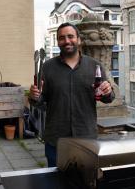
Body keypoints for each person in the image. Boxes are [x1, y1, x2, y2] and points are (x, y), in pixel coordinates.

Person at [29, 22, 115, 167]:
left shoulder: (95, 66)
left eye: (70, 36)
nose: (67, 41)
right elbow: (40, 101)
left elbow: (107, 98)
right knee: (56, 182)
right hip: (56, 140)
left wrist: (108, 91)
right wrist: (34, 96)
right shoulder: (47, 67)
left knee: (85, 182)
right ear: (58, 42)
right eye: (62, 38)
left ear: (79, 39)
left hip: (86, 139)